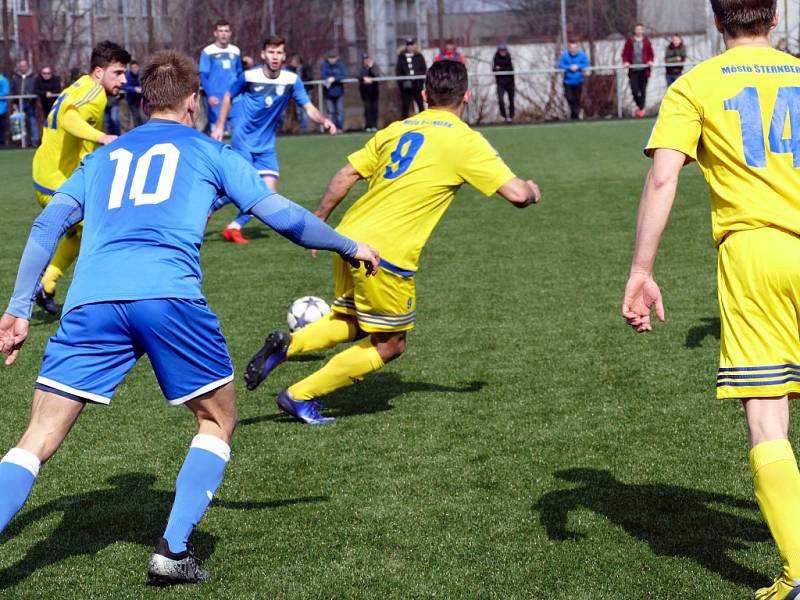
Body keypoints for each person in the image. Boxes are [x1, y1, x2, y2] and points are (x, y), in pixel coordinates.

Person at [0, 49, 379, 585]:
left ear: (140, 102)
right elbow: (285, 218)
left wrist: (17, 308)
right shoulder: (210, 151)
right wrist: (348, 245)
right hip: (168, 298)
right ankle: (172, 552)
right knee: (217, 419)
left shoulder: (101, 158)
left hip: (91, 301)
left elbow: (46, 228)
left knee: (35, 439)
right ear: (193, 101)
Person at [243, 60, 541, 425]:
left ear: (423, 95)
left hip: (348, 238)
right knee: (390, 344)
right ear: (467, 95)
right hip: (386, 254)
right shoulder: (465, 140)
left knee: (351, 319)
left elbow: (347, 174)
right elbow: (516, 195)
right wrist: (532, 190)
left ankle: (289, 345)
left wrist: (318, 222)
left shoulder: (395, 129)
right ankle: (299, 395)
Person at [621, 2, 800, 597]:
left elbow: (664, 176)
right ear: (773, 18)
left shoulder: (694, 85)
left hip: (756, 254)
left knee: (768, 416)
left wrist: (642, 269)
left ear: (717, 21)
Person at [31, 41, 129, 316]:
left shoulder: (84, 86)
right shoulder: (94, 92)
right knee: (99, 228)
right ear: (99, 72)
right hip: (54, 179)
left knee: (80, 232)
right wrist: (103, 137)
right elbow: (69, 119)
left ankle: (47, 285)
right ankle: (105, 298)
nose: (123, 79)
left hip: (56, 174)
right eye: (117, 73)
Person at [211, 35, 336, 244]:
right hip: (243, 141)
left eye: (279, 52)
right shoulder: (249, 76)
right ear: (263, 54)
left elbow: (308, 108)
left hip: (266, 146)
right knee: (244, 188)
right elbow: (227, 96)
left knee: (267, 192)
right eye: (271, 52)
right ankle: (209, 208)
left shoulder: (291, 80)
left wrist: (324, 120)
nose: (275, 56)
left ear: (284, 56)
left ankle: (233, 227)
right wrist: (220, 126)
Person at [199, 19, 243, 135]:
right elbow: (203, 75)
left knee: (239, 131)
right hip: (217, 99)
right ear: (215, 33)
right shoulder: (208, 51)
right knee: (218, 133)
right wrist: (210, 95)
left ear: (230, 33)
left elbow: (240, 74)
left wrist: (241, 93)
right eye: (221, 31)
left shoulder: (235, 51)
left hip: (235, 98)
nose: (223, 34)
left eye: (226, 31)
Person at [622, 23, 654, 118]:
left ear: (643, 31)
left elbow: (651, 54)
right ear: (635, 30)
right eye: (637, 29)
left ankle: (641, 110)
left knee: (643, 91)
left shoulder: (647, 41)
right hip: (633, 70)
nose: (639, 31)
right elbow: (625, 54)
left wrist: (650, 61)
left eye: (640, 29)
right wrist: (626, 62)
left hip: (644, 70)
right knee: (634, 90)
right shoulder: (630, 41)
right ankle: (640, 107)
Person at [395, 37, 427, 118]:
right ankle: (404, 122)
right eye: (408, 45)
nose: (410, 47)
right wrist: (402, 83)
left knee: (420, 104)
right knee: (405, 105)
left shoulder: (419, 56)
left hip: (417, 85)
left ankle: (423, 121)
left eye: (412, 45)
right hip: (406, 86)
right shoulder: (401, 57)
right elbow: (398, 71)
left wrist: (420, 80)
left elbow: (423, 69)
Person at [558, 41, 591, 120]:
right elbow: (560, 65)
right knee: (569, 97)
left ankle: (575, 115)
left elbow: (587, 63)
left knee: (577, 98)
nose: (573, 50)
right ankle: (575, 112)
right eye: (571, 48)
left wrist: (578, 66)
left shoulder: (581, 55)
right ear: (569, 48)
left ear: (577, 48)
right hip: (568, 81)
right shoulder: (564, 55)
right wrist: (569, 67)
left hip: (578, 81)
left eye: (575, 48)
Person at [11, 59, 40, 146]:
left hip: (30, 102)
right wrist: (13, 102)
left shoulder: (34, 76)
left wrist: (32, 99)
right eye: (21, 66)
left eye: (24, 66)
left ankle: (35, 141)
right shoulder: (15, 77)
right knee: (21, 123)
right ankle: (24, 142)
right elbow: (13, 90)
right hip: (19, 102)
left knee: (32, 121)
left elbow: (36, 88)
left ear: (27, 66)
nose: (23, 68)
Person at [321, 50, 347, 132]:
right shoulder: (325, 65)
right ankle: (332, 128)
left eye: (333, 58)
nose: (332, 60)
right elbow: (323, 75)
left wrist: (334, 78)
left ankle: (340, 127)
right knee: (331, 112)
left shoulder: (340, 65)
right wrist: (328, 79)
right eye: (330, 58)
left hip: (339, 92)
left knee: (340, 111)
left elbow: (344, 75)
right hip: (329, 93)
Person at [286, 54, 312, 133]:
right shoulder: (291, 69)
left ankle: (305, 129)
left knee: (305, 111)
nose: (292, 63)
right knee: (298, 112)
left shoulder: (306, 68)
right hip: (296, 93)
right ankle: (300, 128)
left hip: (305, 92)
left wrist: (300, 81)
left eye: (293, 61)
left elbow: (310, 78)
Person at [493, 43, 515, 123]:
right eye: (501, 50)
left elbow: (511, 69)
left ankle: (511, 117)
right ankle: (504, 116)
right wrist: (502, 69)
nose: (503, 52)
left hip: (510, 82)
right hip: (500, 83)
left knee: (511, 100)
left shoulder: (509, 57)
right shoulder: (495, 58)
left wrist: (501, 68)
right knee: (501, 100)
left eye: (504, 50)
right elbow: (494, 69)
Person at [358, 53, 380, 132]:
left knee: (374, 108)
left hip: (374, 91)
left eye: (367, 59)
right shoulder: (361, 68)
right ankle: (368, 125)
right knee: (367, 109)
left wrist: (370, 68)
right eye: (364, 59)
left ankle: (374, 125)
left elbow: (376, 75)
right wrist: (364, 78)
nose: (366, 61)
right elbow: (358, 75)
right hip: (365, 92)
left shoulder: (374, 66)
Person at [123, 60, 145, 127]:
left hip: (141, 100)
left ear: (138, 67)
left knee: (143, 117)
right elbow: (124, 86)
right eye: (133, 68)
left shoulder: (141, 75)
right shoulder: (127, 76)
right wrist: (134, 89)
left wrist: (142, 88)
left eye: (136, 67)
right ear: (130, 68)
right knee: (135, 117)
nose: (134, 69)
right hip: (131, 100)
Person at [0, 71, 8, 147]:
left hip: (1, 109)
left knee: (1, 127)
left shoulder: (2, 80)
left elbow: (5, 92)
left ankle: (2, 144)